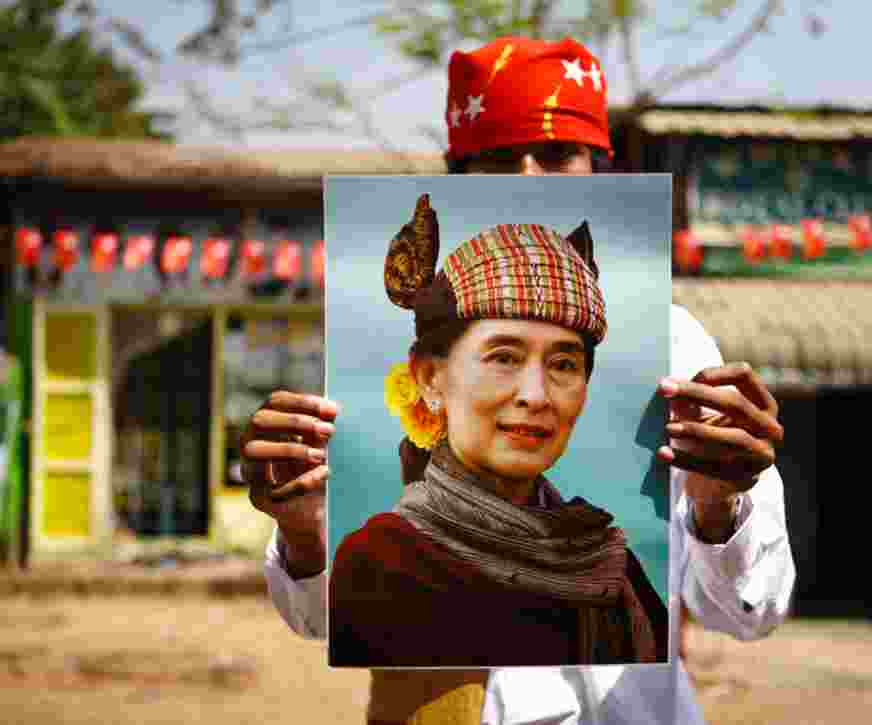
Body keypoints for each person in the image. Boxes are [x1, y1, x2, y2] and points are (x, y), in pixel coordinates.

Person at [243, 37, 795, 724]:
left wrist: (720, 508)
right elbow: (321, 617)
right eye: (502, 158)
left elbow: (748, 610)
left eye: (560, 154)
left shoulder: (674, 357)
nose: (533, 176)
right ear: (431, 377)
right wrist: (302, 530)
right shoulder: (385, 535)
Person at [329, 201, 668, 668]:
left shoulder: (612, 568)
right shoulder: (382, 566)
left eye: (564, 364)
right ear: (430, 377)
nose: (536, 395)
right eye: (504, 357)